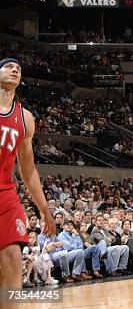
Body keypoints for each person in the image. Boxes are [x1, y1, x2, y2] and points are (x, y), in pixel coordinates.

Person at [0, 58, 56, 305]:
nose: (15, 70)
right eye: (8, 66)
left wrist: (44, 209)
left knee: (13, 256)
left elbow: (28, 169)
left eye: (19, 69)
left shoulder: (25, 118)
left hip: (5, 192)